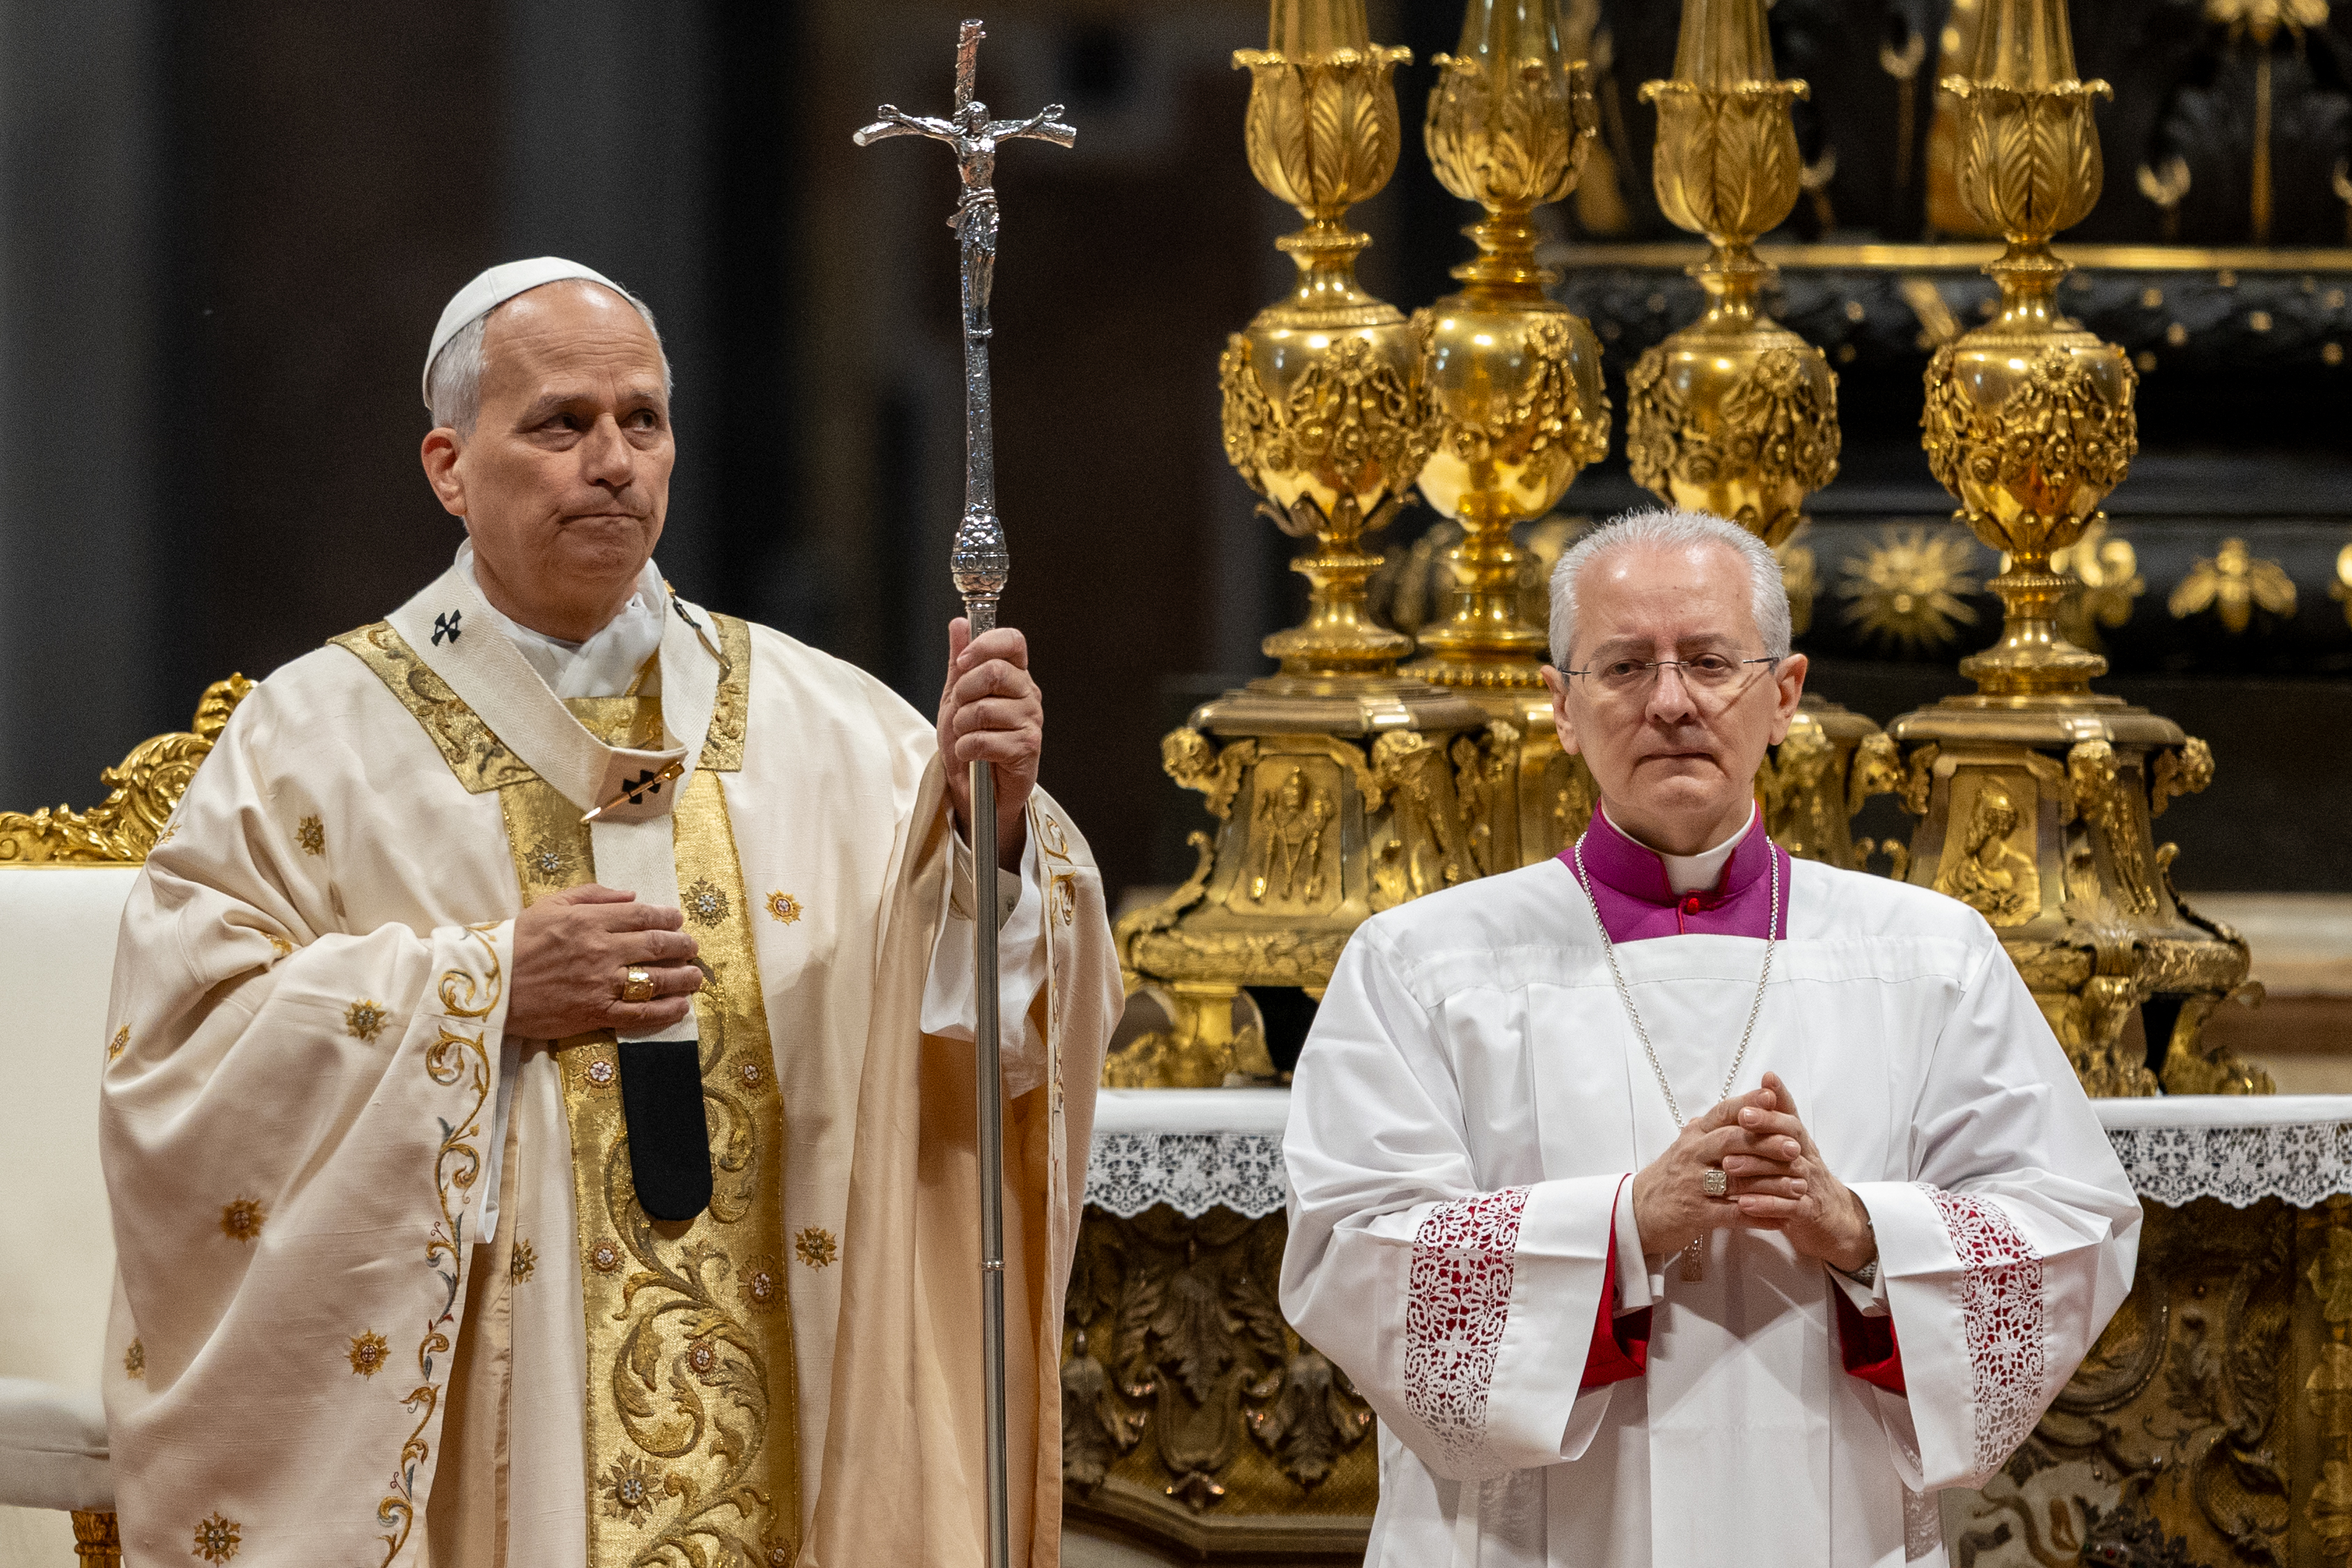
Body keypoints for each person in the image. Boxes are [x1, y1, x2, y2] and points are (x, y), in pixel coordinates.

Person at [99, 258, 1121, 1567]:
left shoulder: (834, 723)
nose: (614, 460)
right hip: (498, 1452)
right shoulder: (315, 740)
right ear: (449, 466)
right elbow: (183, 1049)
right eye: (562, 423)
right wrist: (481, 990)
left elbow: (990, 1021)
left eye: (643, 419)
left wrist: (995, 833)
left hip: (800, 1397)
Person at [1279, 508, 2140, 1567]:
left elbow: (2071, 1230)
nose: (1671, 701)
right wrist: (1624, 1228)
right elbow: (1350, 1253)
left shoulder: (1930, 956)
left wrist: (1863, 1231)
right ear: (1561, 706)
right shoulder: (1421, 963)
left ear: (1784, 695)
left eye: (1710, 662)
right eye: (1624, 666)